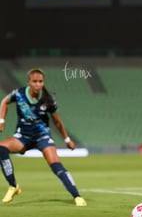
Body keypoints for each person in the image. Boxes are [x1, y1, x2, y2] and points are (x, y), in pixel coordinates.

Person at [0, 68, 87, 207]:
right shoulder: (19, 94)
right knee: (2, 148)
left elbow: (57, 122)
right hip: (23, 136)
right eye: (34, 81)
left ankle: (77, 196)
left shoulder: (48, 99)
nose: (38, 84)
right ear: (28, 82)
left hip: (42, 137)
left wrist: (67, 140)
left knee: (55, 164)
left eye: (40, 81)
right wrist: (1, 121)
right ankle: (13, 186)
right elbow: (4, 102)